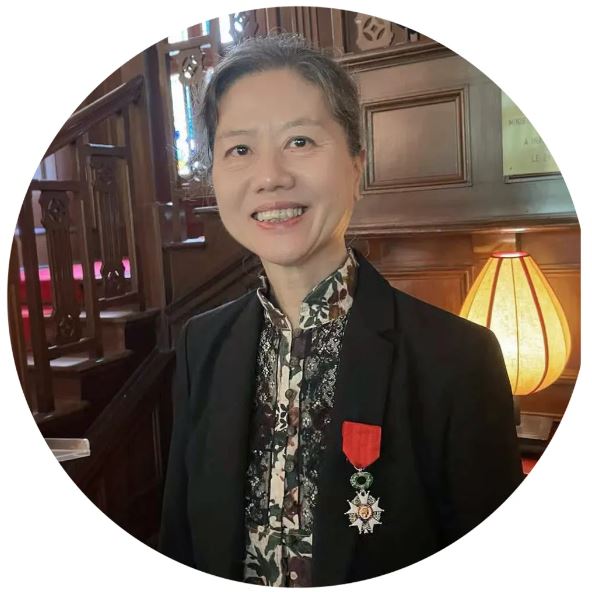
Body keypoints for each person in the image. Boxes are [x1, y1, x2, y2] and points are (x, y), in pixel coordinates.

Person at [158, 33, 524, 587]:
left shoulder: (456, 361)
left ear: (357, 165)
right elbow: (180, 544)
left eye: (300, 141)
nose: (270, 176)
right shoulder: (200, 344)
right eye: (239, 150)